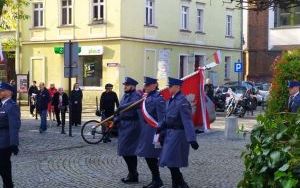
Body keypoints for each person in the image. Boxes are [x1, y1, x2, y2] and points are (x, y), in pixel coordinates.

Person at [157, 77, 199, 188]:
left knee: (170, 160)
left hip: (178, 134)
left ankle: (179, 183)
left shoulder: (182, 101)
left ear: (177, 87)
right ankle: (178, 183)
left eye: (170, 86)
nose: (168, 88)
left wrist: (192, 139)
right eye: (168, 86)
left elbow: (187, 121)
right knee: (170, 160)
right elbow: (166, 118)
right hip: (169, 133)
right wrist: (160, 127)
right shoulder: (170, 100)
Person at [136, 76, 165, 188]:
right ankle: (156, 179)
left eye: (147, 85)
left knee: (151, 156)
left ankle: (158, 180)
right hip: (146, 130)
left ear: (154, 86)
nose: (145, 87)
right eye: (145, 85)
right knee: (149, 156)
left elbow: (162, 118)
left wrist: (160, 133)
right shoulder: (146, 97)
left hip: (153, 131)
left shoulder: (158, 99)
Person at [114, 77, 142, 184]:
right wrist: (116, 119)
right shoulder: (125, 95)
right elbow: (121, 109)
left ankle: (133, 174)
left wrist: (120, 108)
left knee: (129, 151)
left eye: (127, 85)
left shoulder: (137, 96)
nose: (125, 86)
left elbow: (131, 105)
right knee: (125, 151)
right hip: (123, 125)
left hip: (132, 126)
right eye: (124, 85)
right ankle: (132, 173)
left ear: (133, 86)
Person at [0, 82, 21, 188]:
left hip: (5, 143)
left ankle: (8, 185)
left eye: (2, 90)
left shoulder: (12, 106)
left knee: (4, 168)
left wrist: (14, 144)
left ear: (9, 93)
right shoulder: (1, 104)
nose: (0, 92)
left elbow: (14, 126)